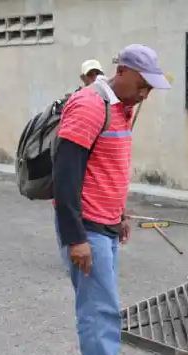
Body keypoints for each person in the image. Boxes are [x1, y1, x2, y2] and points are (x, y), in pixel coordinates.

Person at [53, 44, 171, 355]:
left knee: (106, 304)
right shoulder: (89, 106)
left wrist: (118, 215)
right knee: (98, 309)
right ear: (121, 72)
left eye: (150, 88)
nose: (145, 93)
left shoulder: (120, 107)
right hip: (86, 228)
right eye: (142, 84)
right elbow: (65, 176)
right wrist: (76, 239)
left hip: (105, 223)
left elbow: (107, 167)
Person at [55, 59, 107, 271]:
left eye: (98, 73)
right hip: (88, 215)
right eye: (90, 74)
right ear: (83, 78)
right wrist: (76, 238)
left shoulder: (106, 103)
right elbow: (65, 173)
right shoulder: (80, 105)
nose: (94, 78)